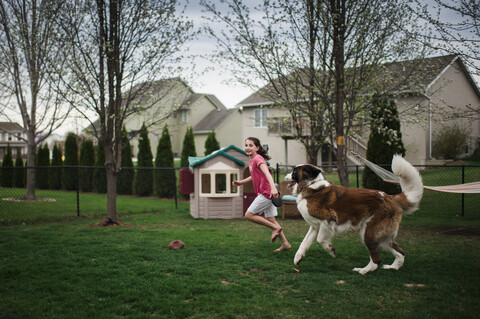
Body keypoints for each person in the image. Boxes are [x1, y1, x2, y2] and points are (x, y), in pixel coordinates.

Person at [232, 137, 291, 252]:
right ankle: (285, 244)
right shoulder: (252, 159)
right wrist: (241, 182)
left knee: (249, 215)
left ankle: (275, 228)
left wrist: (274, 189)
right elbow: (254, 175)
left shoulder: (258, 159)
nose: (247, 147)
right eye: (246, 145)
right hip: (268, 193)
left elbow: (267, 173)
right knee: (270, 218)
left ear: (257, 148)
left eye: (251, 145)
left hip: (267, 193)